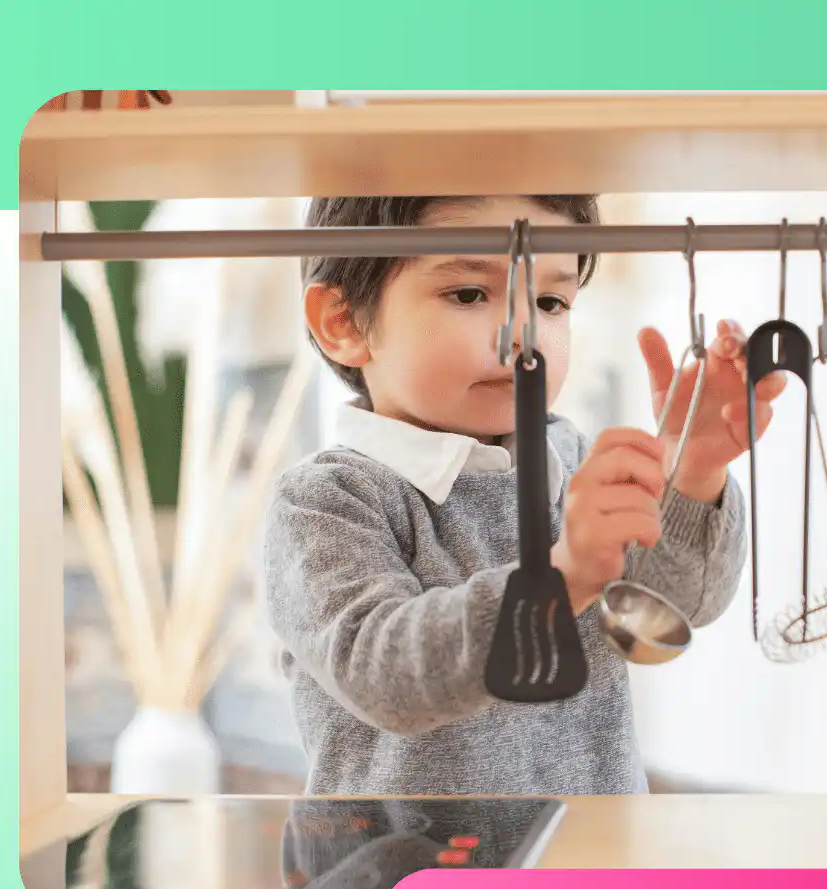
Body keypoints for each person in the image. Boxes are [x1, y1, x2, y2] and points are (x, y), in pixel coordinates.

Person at [261, 194, 783, 796]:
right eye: (468, 295)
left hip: (590, 861)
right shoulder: (326, 501)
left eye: (550, 301)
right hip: (405, 875)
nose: (523, 338)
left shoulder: (573, 463)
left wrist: (693, 472)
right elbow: (385, 675)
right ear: (343, 323)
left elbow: (674, 606)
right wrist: (563, 577)